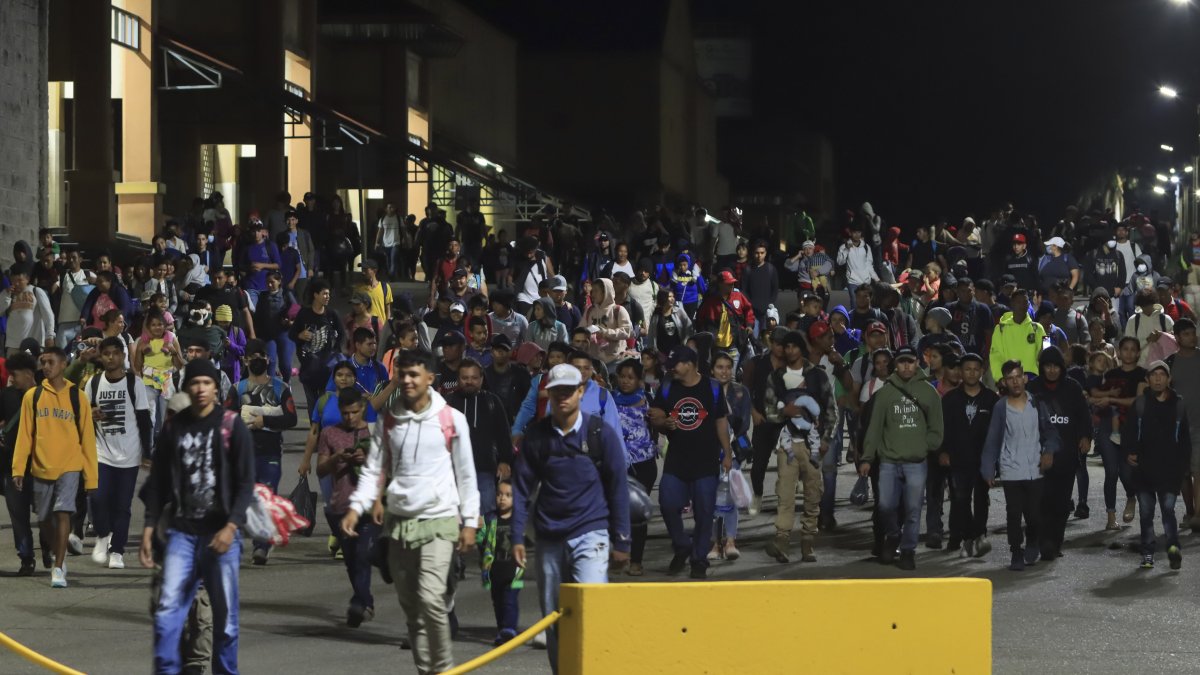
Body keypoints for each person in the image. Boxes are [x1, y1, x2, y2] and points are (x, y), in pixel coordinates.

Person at [341, 349, 479, 675]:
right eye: (402, 374)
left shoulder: (450, 420)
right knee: (413, 611)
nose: (407, 380)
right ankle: (425, 670)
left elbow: (466, 474)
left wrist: (470, 521)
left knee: (432, 601)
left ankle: (443, 669)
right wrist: (356, 507)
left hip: (440, 521)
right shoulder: (389, 422)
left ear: (430, 378)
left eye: (414, 374)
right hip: (398, 524)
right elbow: (375, 470)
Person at [510, 364, 630, 672]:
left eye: (568, 390)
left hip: (592, 534)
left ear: (580, 391)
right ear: (548, 394)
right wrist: (516, 536)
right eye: (556, 391)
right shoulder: (536, 436)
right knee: (554, 619)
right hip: (549, 539)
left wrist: (623, 540)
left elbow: (618, 486)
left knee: (592, 612)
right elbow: (521, 488)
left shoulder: (600, 433)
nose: (562, 396)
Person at [139, 358, 254, 673]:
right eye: (195, 383)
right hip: (182, 535)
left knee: (226, 621)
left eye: (206, 383)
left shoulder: (232, 425)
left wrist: (231, 527)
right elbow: (158, 483)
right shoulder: (175, 428)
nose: (201, 389)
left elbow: (246, 484)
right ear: (187, 388)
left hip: (221, 537)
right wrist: (149, 528)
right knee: (166, 616)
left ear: (216, 387)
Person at [11, 347, 97, 588]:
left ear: (62, 364)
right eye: (43, 362)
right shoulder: (33, 396)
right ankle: (56, 549)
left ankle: (59, 567)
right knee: (44, 519)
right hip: (40, 468)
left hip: (70, 466)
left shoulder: (77, 397)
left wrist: (91, 479)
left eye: (50, 362)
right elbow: (24, 436)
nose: (45, 366)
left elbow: (87, 439)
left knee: (63, 512)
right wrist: (18, 468)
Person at [650, 346, 732, 579]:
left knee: (704, 513)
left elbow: (720, 422)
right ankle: (681, 544)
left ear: (691, 365)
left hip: (706, 462)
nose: (672, 368)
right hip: (676, 461)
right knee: (667, 504)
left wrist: (727, 453)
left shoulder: (712, 388)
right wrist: (664, 421)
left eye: (677, 364)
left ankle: (699, 559)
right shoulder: (668, 385)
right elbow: (654, 413)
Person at [859, 345, 944, 571]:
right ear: (895, 365)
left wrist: (924, 447)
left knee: (913, 509)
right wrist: (867, 458)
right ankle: (894, 535)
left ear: (918, 363)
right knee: (885, 505)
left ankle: (908, 550)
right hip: (888, 461)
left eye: (910, 361)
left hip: (916, 462)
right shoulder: (886, 393)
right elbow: (875, 427)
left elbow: (937, 427)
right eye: (901, 362)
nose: (906, 366)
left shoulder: (929, 393)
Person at [981, 360, 1062, 571]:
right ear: (1004, 382)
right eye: (1010, 378)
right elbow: (993, 438)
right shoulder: (1001, 408)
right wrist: (988, 468)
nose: (1015, 382)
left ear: (1025, 378)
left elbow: (1050, 432)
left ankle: (1032, 540)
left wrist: (1049, 451)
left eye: (1018, 377)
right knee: (1014, 513)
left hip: (1035, 469)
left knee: (1034, 514)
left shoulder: (1037, 403)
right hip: (1011, 469)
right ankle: (1016, 551)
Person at [764, 331, 836, 563]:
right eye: (787, 347)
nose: (790, 351)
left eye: (795, 346)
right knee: (785, 496)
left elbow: (830, 410)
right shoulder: (775, 378)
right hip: (787, 445)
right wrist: (783, 412)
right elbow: (769, 411)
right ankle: (782, 541)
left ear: (801, 349)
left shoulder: (817, 376)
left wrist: (826, 439)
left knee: (812, 495)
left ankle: (807, 543)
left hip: (812, 446)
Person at [87, 337, 153, 570]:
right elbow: (84, 418)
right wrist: (91, 413)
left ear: (123, 356)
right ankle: (103, 534)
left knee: (122, 505)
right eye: (107, 353)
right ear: (101, 356)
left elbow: (145, 420)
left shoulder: (134, 384)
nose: (111, 357)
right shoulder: (93, 383)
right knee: (97, 497)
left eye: (116, 353)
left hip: (129, 454)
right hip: (101, 452)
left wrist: (147, 452)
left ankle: (117, 550)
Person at [232, 339, 298, 565]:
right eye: (253, 356)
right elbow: (226, 419)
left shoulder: (281, 388)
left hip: (270, 454)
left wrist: (264, 420)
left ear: (268, 359)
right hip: (242, 456)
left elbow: (291, 418)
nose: (257, 359)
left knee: (265, 499)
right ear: (245, 360)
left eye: (261, 355)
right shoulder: (237, 390)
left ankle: (261, 545)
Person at [316, 388, 378, 626]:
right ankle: (364, 600)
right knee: (351, 559)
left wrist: (367, 458)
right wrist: (337, 458)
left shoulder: (374, 431)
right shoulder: (330, 433)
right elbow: (321, 469)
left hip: (369, 507)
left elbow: (388, 466)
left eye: (354, 412)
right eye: (345, 413)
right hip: (340, 506)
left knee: (363, 554)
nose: (350, 418)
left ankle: (360, 603)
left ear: (362, 408)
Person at [1027, 347, 1092, 561]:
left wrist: (1085, 436)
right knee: (1040, 501)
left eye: (1056, 366)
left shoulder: (1072, 387)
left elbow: (1084, 415)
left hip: (1066, 455)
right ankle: (1041, 540)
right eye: (1048, 366)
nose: (1052, 370)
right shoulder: (1033, 388)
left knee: (1061, 502)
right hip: (1038, 455)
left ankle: (1055, 543)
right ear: (1042, 367)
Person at [1124, 360, 1189, 570]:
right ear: (1147, 379)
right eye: (1154, 374)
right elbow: (1130, 432)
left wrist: (1181, 471)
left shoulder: (1178, 404)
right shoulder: (1140, 404)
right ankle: (1148, 553)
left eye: (1162, 374)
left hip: (1170, 470)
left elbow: (1185, 441)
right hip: (1144, 470)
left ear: (1169, 379)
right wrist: (1129, 452)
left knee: (1168, 510)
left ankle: (1173, 547)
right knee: (1146, 513)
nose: (1158, 378)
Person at [939, 352, 997, 557]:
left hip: (983, 459)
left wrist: (995, 460)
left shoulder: (991, 399)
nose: (972, 373)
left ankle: (978, 535)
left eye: (976, 369)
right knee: (960, 500)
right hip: (957, 458)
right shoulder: (950, 399)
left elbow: (997, 430)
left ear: (982, 371)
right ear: (960, 372)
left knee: (981, 498)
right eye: (967, 369)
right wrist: (943, 451)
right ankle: (970, 536)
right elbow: (942, 428)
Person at [447, 359, 514, 523]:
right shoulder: (447, 403)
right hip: (452, 472)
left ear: (481, 379)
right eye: (465, 378)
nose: (469, 381)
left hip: (484, 470)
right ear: (458, 379)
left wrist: (505, 461)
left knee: (487, 512)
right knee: (455, 517)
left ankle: (487, 548)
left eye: (474, 378)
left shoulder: (492, 401)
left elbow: (503, 434)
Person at [1090, 337, 1146, 529]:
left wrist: (1110, 400)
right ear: (1119, 353)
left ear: (1138, 353)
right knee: (1111, 471)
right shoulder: (1111, 373)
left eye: (1133, 349)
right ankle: (1110, 517)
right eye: (1125, 349)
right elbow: (1097, 393)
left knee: (1126, 472)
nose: (1129, 353)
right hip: (1107, 425)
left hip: (1130, 428)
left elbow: (1137, 402)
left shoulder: (1142, 375)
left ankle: (1131, 496)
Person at [0, 353, 43, 575]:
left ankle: (49, 548)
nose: (11, 379)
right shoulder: (6, 396)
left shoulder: (46, 395)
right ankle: (26, 557)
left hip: (42, 467)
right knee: (18, 517)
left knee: (46, 515)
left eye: (14, 375)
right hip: (11, 467)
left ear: (28, 374)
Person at [290, 279, 344, 414]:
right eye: (324, 294)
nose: (328, 297)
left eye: (328, 294)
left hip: (326, 368)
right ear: (315, 295)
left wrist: (335, 353)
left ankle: (322, 430)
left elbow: (342, 335)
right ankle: (315, 430)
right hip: (308, 367)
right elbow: (292, 334)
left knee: (324, 403)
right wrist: (300, 335)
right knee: (312, 404)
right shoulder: (304, 314)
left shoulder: (332, 315)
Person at [1166, 319, 1200, 528]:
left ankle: (1198, 515)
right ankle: (1189, 511)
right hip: (1178, 427)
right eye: (1186, 334)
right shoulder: (1169, 363)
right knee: (1183, 474)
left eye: (1193, 333)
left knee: (1199, 470)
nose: (1191, 337)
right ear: (1177, 338)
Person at [695, 270, 754, 371]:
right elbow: (700, 318)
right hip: (717, 346)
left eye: (732, 283)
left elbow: (749, 310)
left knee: (731, 376)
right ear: (720, 284)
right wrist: (705, 335)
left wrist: (749, 325)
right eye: (728, 284)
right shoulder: (711, 301)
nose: (731, 285)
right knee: (718, 375)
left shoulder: (738, 297)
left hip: (734, 343)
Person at [988, 287, 1045, 386]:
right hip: (1009, 381)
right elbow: (995, 356)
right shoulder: (1000, 329)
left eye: (1025, 302)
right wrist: (1000, 378)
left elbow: (1047, 352)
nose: (1022, 305)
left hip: (1034, 381)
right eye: (1019, 302)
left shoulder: (1038, 328)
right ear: (1012, 304)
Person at [0, 265, 56, 356]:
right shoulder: (7, 293)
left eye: (19, 280)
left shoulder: (36, 291)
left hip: (31, 343)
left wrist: (50, 335)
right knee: (12, 369)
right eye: (13, 280)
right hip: (12, 344)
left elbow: (48, 314)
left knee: (28, 367)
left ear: (27, 279)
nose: (16, 283)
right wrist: (6, 295)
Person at [581, 278, 634, 367]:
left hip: (616, 361)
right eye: (592, 291)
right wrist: (587, 334)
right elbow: (580, 329)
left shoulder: (618, 310)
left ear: (605, 292)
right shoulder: (590, 310)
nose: (592, 294)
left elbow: (627, 331)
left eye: (596, 291)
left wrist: (605, 333)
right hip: (594, 361)